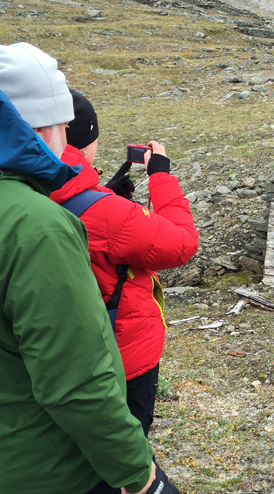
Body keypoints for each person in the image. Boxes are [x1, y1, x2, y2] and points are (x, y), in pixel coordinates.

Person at [0, 43, 202, 494]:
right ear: (48, 127)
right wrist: (134, 470)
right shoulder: (32, 224)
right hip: (62, 462)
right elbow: (74, 380)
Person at [52, 89, 199, 437]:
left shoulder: (22, 187)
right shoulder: (106, 214)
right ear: (85, 139)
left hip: (52, 357)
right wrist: (160, 176)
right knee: (122, 446)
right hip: (118, 358)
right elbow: (181, 243)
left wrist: (100, 195)